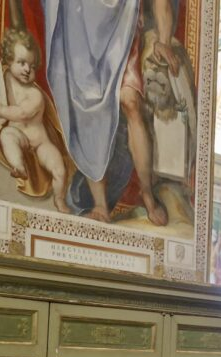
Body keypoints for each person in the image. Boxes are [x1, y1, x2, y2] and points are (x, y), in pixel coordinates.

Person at [43, 0, 181, 225]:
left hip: (121, 24)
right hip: (79, 23)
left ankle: (147, 193)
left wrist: (164, 41)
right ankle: (100, 205)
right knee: (85, 107)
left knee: (131, 101)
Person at [0, 29, 72, 213]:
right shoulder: (5, 76)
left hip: (40, 144)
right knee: (7, 135)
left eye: (31, 66)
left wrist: (0, 110)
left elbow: (22, 113)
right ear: (9, 60)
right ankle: (19, 166)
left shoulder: (35, 94)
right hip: (19, 135)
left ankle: (59, 199)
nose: (27, 69)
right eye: (22, 63)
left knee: (59, 168)